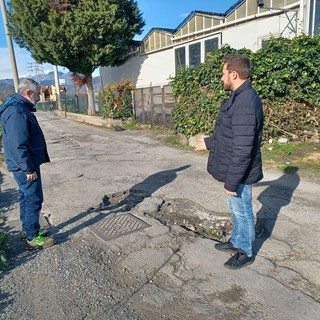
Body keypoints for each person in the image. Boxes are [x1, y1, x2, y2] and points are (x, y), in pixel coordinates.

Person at [195, 54, 263, 269]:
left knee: (243, 212)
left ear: (234, 74)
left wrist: (232, 182)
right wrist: (209, 143)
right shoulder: (239, 97)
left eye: (223, 73)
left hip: (240, 172)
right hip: (236, 170)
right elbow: (230, 134)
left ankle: (246, 251)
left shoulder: (245, 102)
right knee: (236, 210)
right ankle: (237, 241)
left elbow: (243, 149)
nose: (221, 78)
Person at [0, 78, 55, 249]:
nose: (40, 97)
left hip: (23, 164)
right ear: (28, 93)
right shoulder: (17, 111)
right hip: (24, 166)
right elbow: (18, 144)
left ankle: (28, 230)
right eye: (38, 93)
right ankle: (32, 236)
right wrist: (28, 168)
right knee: (34, 198)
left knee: (26, 196)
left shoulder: (19, 107)